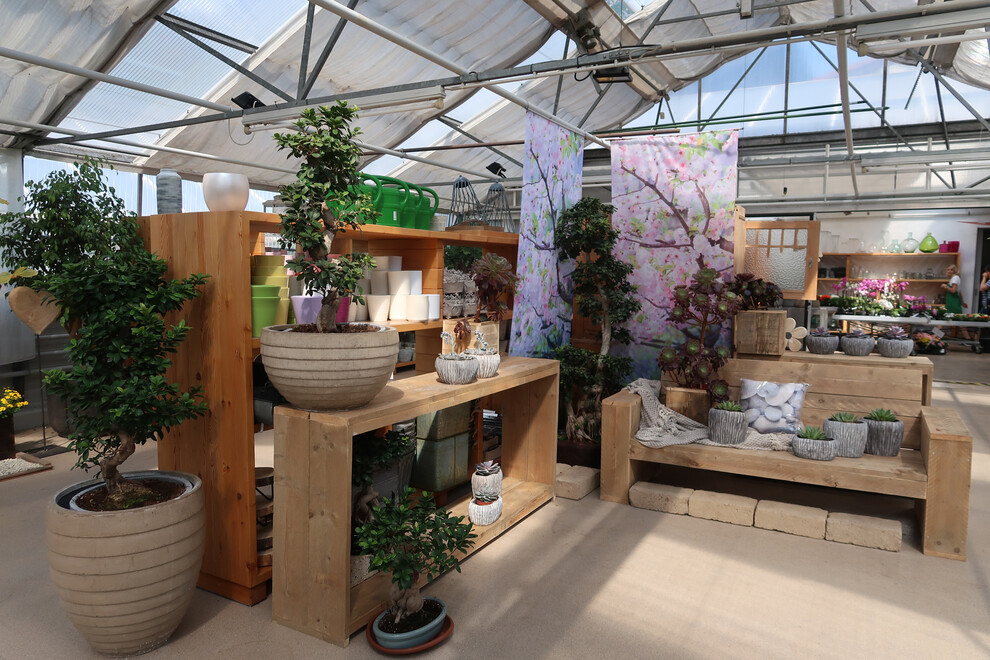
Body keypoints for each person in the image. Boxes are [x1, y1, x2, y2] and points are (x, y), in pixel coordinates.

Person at [941, 264, 970, 339]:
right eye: (948, 269)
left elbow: (953, 291)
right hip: (954, 302)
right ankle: (968, 339)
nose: (949, 271)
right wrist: (962, 302)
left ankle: (934, 337)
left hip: (953, 303)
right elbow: (959, 292)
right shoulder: (955, 278)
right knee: (958, 320)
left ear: (955, 271)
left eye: (951, 270)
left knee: (943, 319)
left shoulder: (955, 278)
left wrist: (945, 286)